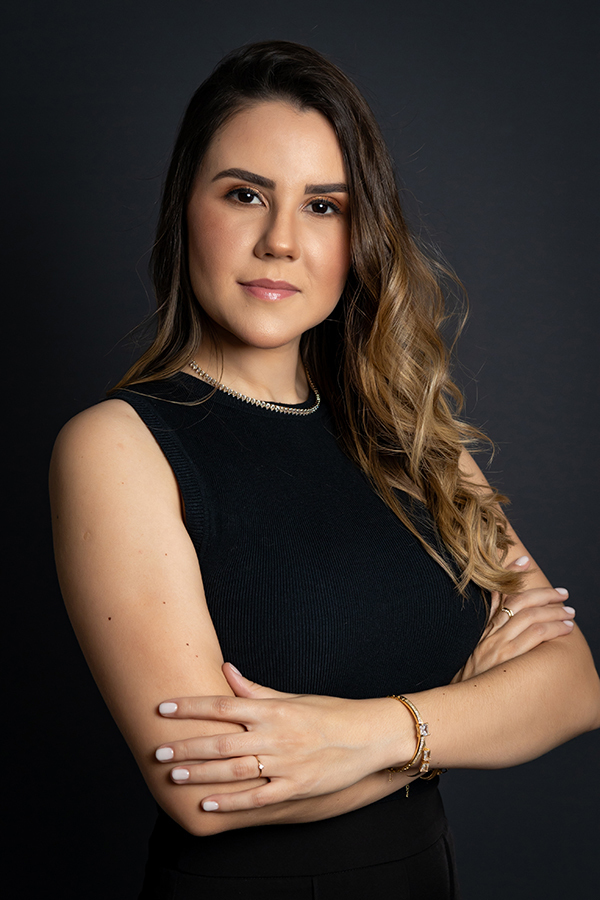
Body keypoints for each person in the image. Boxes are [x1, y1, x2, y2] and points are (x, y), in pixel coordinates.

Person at [49, 41, 600, 899]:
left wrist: (372, 734)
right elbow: (207, 791)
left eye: (323, 206)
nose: (281, 241)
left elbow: (572, 686)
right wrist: (461, 708)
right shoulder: (118, 445)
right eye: (244, 195)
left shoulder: (413, 437)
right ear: (185, 209)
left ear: (359, 233)